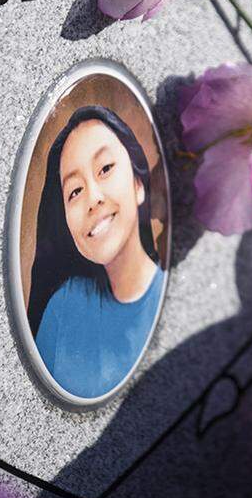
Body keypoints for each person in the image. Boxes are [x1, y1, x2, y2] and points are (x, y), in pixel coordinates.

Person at [28, 105, 165, 399]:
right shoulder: (63, 308)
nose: (93, 199)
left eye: (105, 169)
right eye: (75, 191)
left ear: (138, 184)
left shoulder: (170, 293)